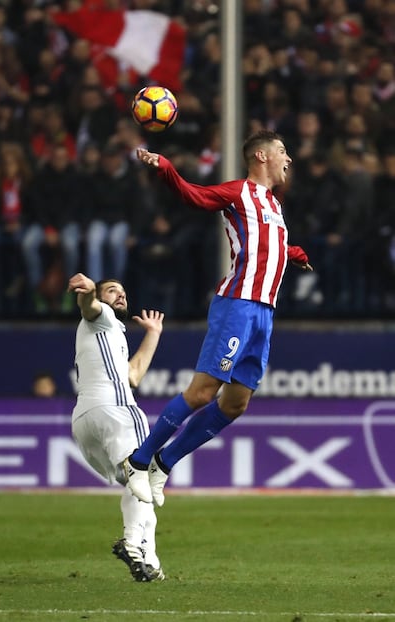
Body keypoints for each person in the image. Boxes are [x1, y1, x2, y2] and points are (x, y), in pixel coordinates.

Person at [119, 130, 313, 507]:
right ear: (261, 155)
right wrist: (168, 169)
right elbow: (195, 195)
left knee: (235, 403)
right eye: (283, 150)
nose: (289, 159)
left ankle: (163, 463)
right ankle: (137, 461)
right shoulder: (238, 192)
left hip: (265, 313)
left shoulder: (274, 205)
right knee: (203, 392)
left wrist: (292, 252)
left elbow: (267, 244)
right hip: (237, 305)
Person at [67, 272, 165, 582]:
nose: (119, 295)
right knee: (144, 474)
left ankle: (148, 559)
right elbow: (89, 306)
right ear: (100, 295)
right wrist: (87, 292)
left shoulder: (109, 336)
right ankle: (133, 542)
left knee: (139, 483)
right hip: (115, 410)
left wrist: (153, 332)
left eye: (122, 291)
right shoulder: (101, 317)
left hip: (84, 421)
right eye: (111, 290)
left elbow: (133, 376)